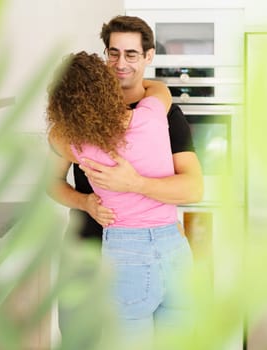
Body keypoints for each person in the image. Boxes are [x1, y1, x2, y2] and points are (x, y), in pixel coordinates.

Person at [46, 51, 194, 348]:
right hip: (175, 248)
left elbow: (55, 136)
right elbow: (160, 89)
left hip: (127, 255)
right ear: (110, 87)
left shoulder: (81, 146)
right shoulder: (152, 116)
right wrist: (121, 79)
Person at [47, 15, 203, 241]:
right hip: (85, 247)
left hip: (145, 246)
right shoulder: (78, 116)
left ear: (148, 56)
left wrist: (135, 184)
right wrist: (86, 203)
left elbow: (193, 189)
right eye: (113, 53)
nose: (120, 63)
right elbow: (50, 182)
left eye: (131, 54)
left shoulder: (167, 115)